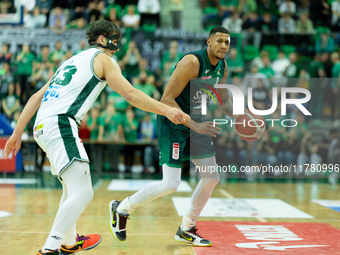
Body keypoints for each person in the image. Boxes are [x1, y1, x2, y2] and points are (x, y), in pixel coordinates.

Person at [3, 20, 188, 255]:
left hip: (42, 126)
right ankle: (49, 249)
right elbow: (130, 94)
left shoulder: (70, 62)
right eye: (114, 38)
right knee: (83, 193)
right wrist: (167, 110)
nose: (117, 43)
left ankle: (69, 242)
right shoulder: (103, 60)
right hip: (60, 123)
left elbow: (34, 98)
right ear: (102, 39)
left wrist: (16, 134)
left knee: (71, 190)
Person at [109, 27, 233, 247]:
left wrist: (244, 118)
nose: (224, 46)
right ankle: (122, 208)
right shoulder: (192, 62)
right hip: (173, 122)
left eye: (227, 42)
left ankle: (186, 228)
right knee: (171, 184)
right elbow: (166, 100)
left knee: (212, 177)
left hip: (197, 124)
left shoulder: (222, 66)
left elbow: (223, 98)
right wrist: (195, 125)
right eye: (220, 41)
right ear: (209, 42)